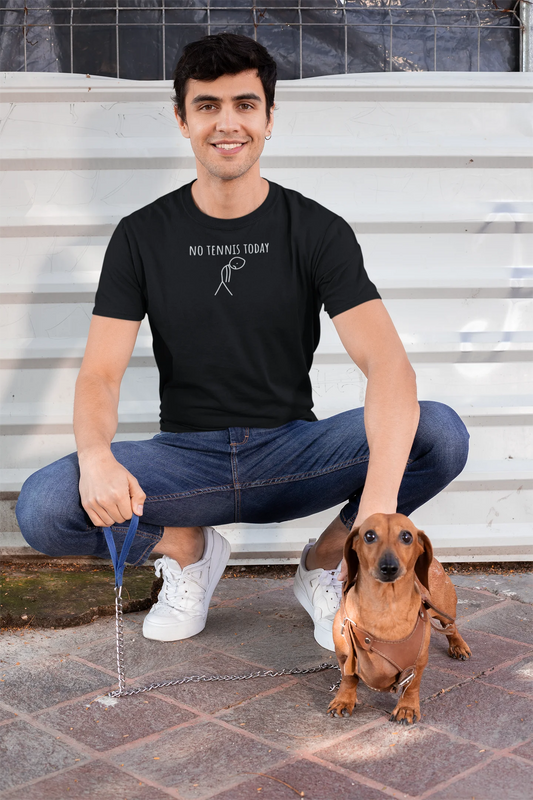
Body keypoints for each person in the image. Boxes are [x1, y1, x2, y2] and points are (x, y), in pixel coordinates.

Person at [16, 33, 469, 651]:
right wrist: (96, 456)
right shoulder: (140, 236)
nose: (227, 123)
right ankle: (188, 551)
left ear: (269, 117)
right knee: (44, 506)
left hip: (294, 453)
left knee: (439, 433)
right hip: (186, 463)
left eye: (245, 104)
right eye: (207, 106)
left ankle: (325, 562)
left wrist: (375, 512)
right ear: (182, 120)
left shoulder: (317, 230)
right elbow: (100, 374)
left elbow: (388, 364)